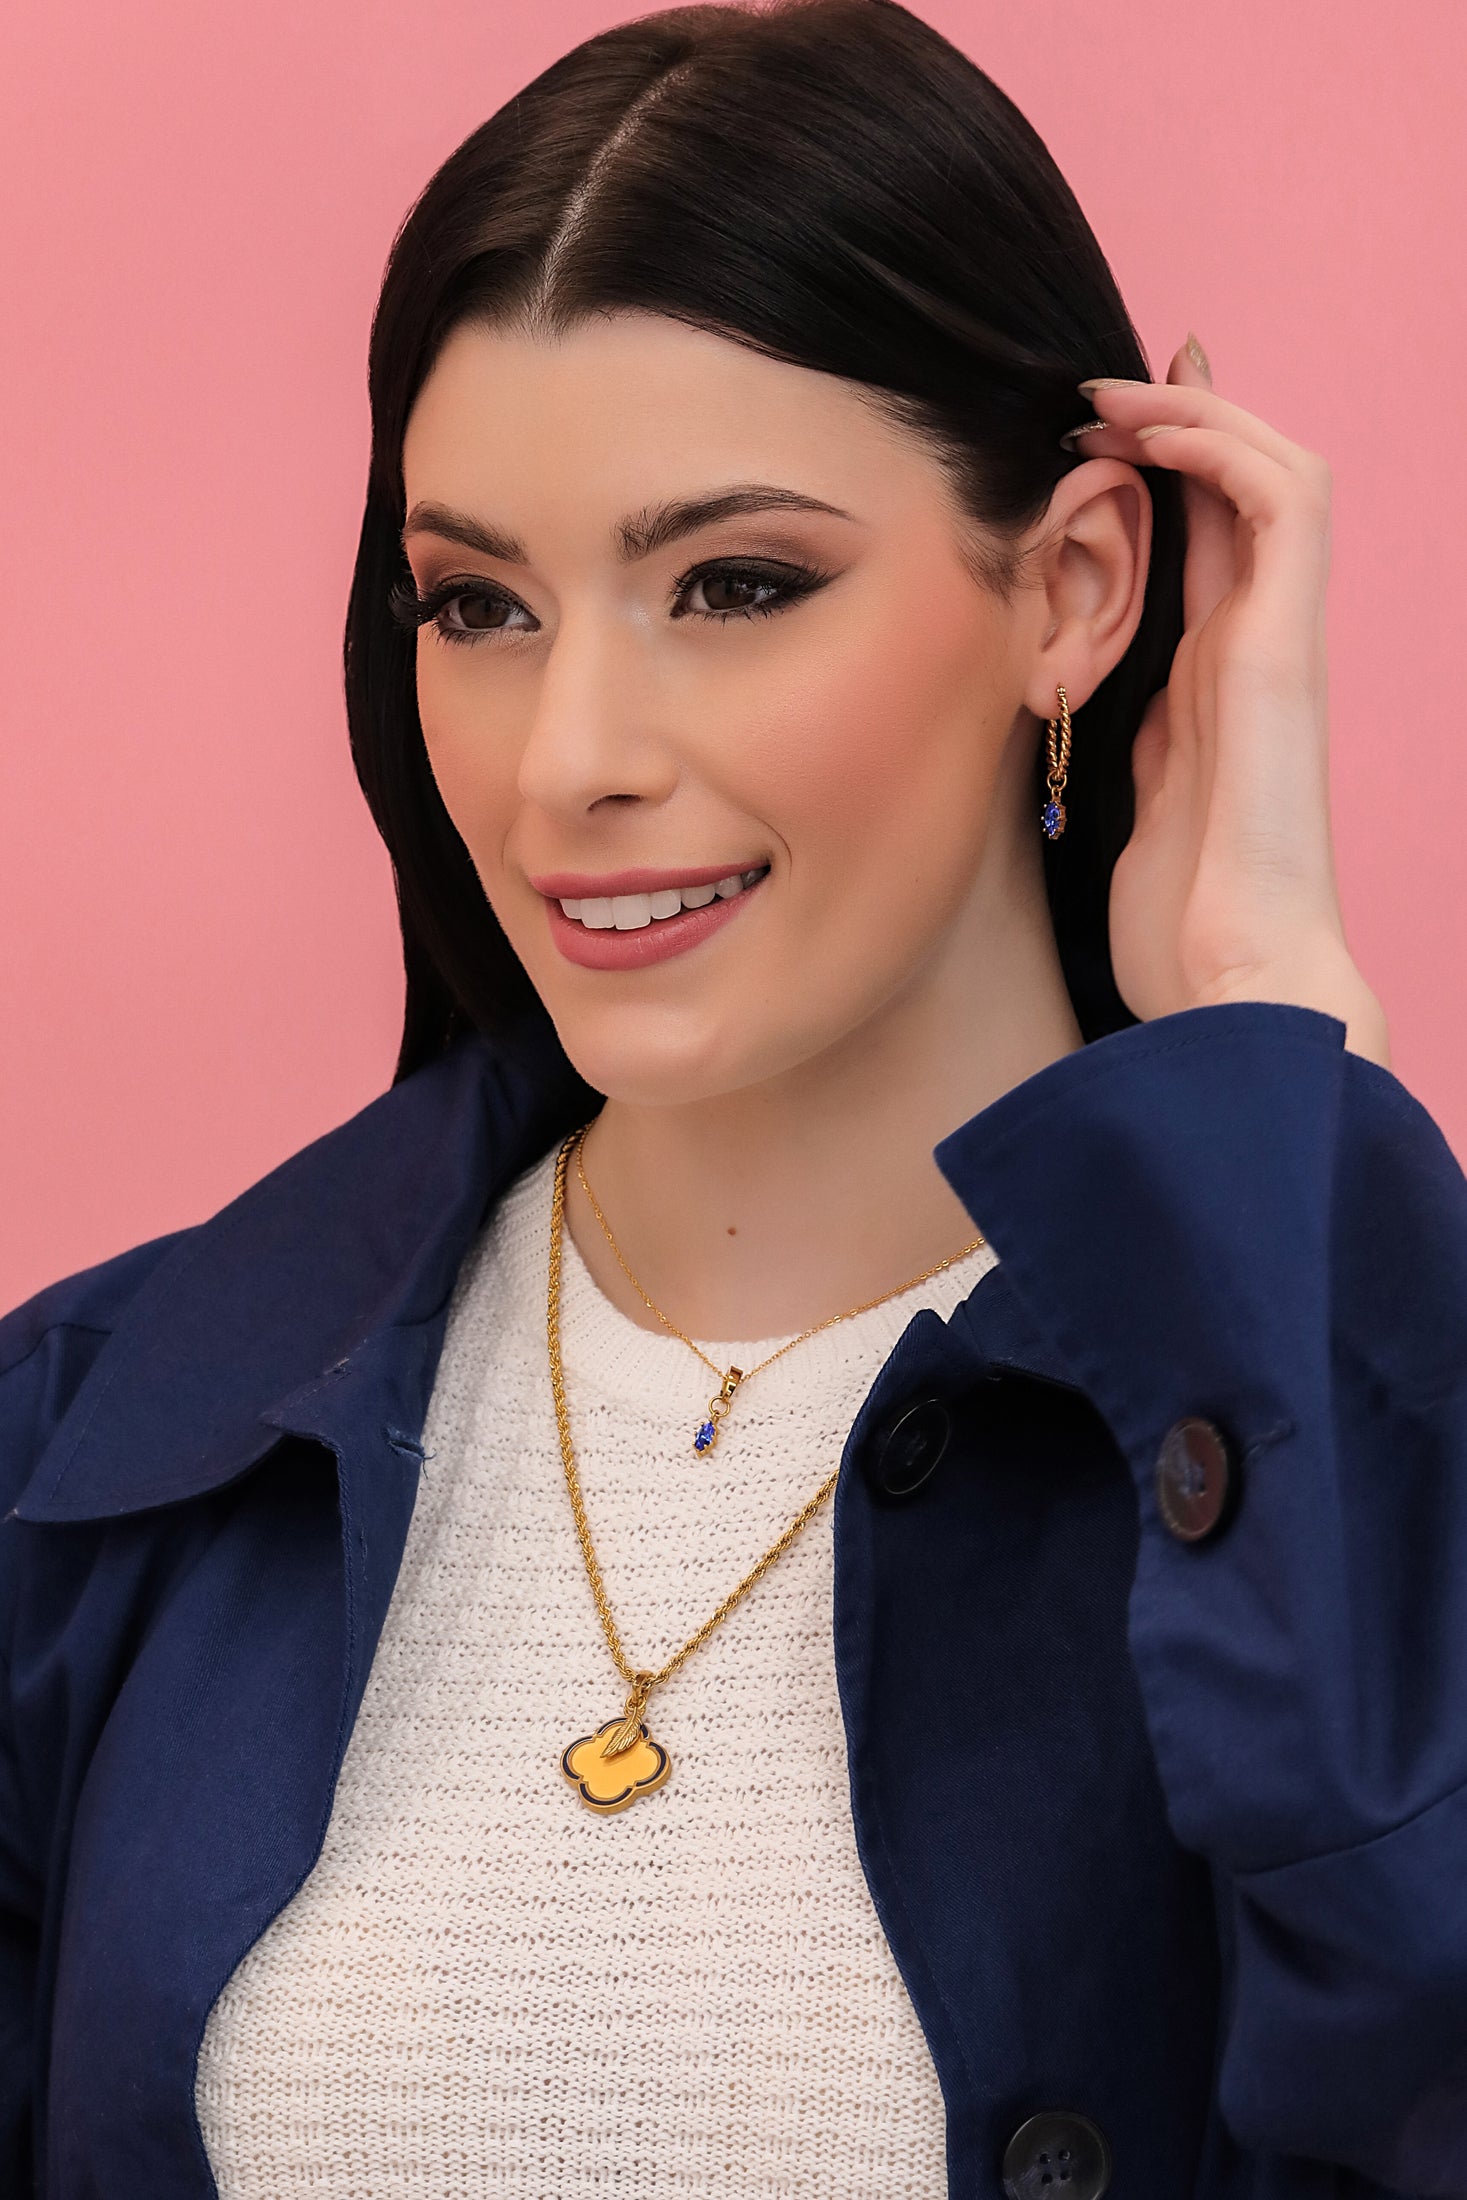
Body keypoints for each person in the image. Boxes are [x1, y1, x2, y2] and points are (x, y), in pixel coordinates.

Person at [3, 0, 1464, 2193]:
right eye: (476, 605)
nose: (567, 756)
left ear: (1073, 586)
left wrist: (1271, 1080)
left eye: (735, 584)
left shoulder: (1317, 1429)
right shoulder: (87, 1452)